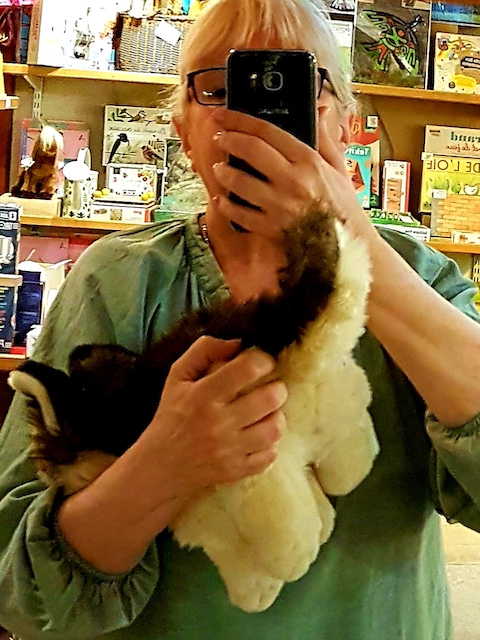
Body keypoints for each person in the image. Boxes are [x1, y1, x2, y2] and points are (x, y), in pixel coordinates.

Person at [1, 0, 480, 638]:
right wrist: (167, 462)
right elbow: (19, 587)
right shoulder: (118, 280)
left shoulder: (420, 274)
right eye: (220, 88)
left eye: (295, 83)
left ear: (344, 124)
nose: (254, 116)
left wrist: (353, 242)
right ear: (182, 130)